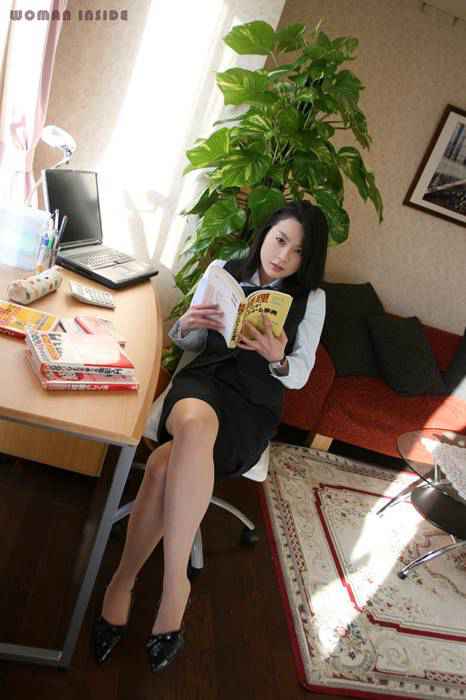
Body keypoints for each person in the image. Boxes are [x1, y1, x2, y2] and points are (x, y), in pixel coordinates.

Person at [92, 200, 328, 671]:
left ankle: (123, 581)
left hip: (252, 406)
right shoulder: (224, 270)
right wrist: (186, 325)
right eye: (280, 240)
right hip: (204, 384)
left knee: (161, 466)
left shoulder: (312, 300)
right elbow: (190, 341)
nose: (283, 256)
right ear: (266, 233)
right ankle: (174, 587)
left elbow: (300, 374)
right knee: (195, 425)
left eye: (298, 251)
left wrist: (278, 358)